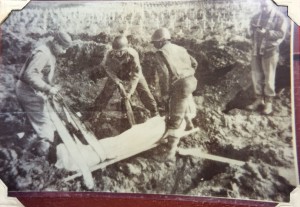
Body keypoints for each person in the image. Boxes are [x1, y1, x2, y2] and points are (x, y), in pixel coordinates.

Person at [16, 31, 73, 156]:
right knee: (46, 127)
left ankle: (24, 144)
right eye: (63, 48)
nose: (63, 52)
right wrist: (48, 88)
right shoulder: (44, 54)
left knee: (45, 119)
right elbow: (30, 75)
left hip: (33, 90)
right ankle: (40, 160)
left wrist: (50, 87)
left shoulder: (49, 51)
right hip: (28, 92)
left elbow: (42, 75)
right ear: (56, 43)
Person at [151, 28, 198, 162]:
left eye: (155, 43)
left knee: (174, 118)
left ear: (161, 42)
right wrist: (188, 74)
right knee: (186, 100)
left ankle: (170, 153)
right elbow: (195, 63)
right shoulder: (180, 48)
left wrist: (165, 93)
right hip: (192, 81)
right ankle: (189, 124)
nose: (154, 45)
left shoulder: (161, 53)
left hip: (181, 85)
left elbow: (164, 75)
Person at [93, 35, 159, 118]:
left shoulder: (133, 54)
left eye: (121, 51)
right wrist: (117, 82)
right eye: (116, 51)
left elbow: (135, 74)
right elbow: (108, 68)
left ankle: (154, 112)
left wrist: (130, 92)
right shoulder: (110, 54)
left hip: (133, 73)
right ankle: (96, 111)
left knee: (144, 90)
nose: (119, 54)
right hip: (117, 73)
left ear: (127, 48)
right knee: (107, 90)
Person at [246, 0, 287, 115]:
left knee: (269, 78)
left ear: (272, 5)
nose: (263, 8)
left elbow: (281, 34)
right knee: (256, 76)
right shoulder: (256, 17)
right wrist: (250, 31)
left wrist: (267, 32)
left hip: (270, 51)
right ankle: (259, 99)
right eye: (262, 6)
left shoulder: (279, 18)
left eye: (266, 6)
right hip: (256, 50)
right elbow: (250, 31)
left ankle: (268, 103)